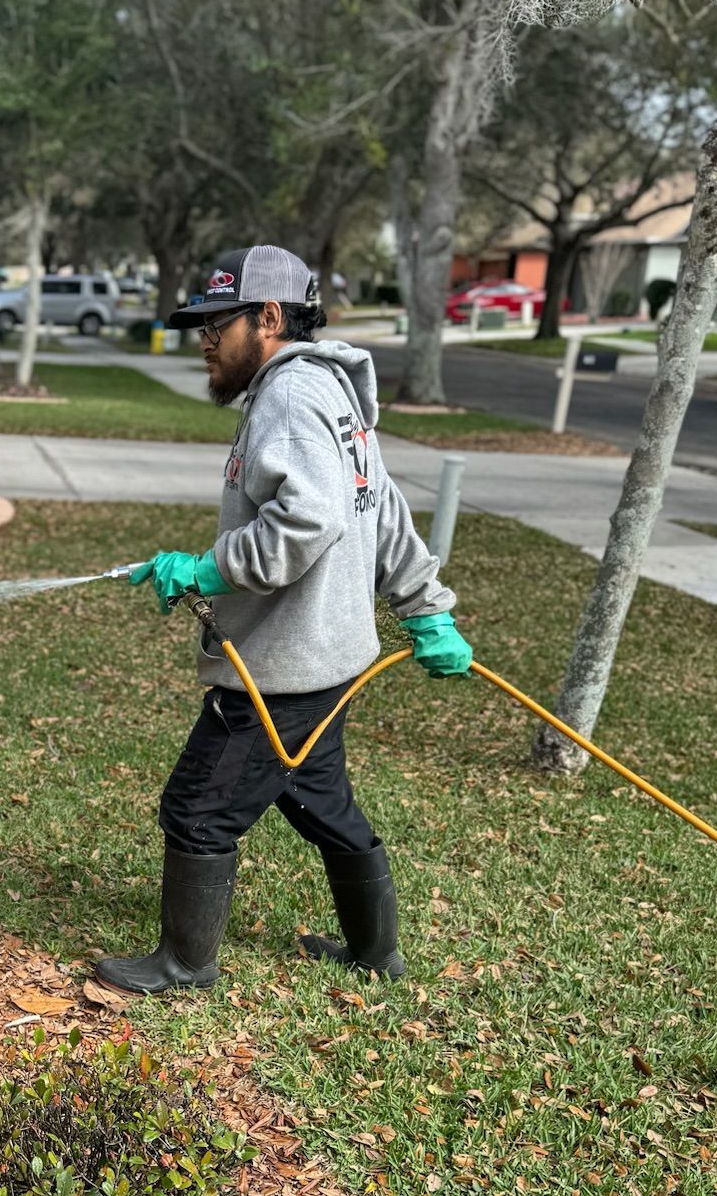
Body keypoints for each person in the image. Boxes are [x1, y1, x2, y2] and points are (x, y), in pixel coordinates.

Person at [95, 244, 471, 995]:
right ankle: (376, 954)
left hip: (284, 668)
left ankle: (184, 964)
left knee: (197, 810)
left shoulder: (291, 397)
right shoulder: (333, 394)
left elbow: (309, 524)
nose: (203, 337)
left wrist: (207, 568)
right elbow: (383, 510)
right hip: (329, 660)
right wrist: (426, 611)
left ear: (268, 317)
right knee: (317, 799)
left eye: (217, 322)